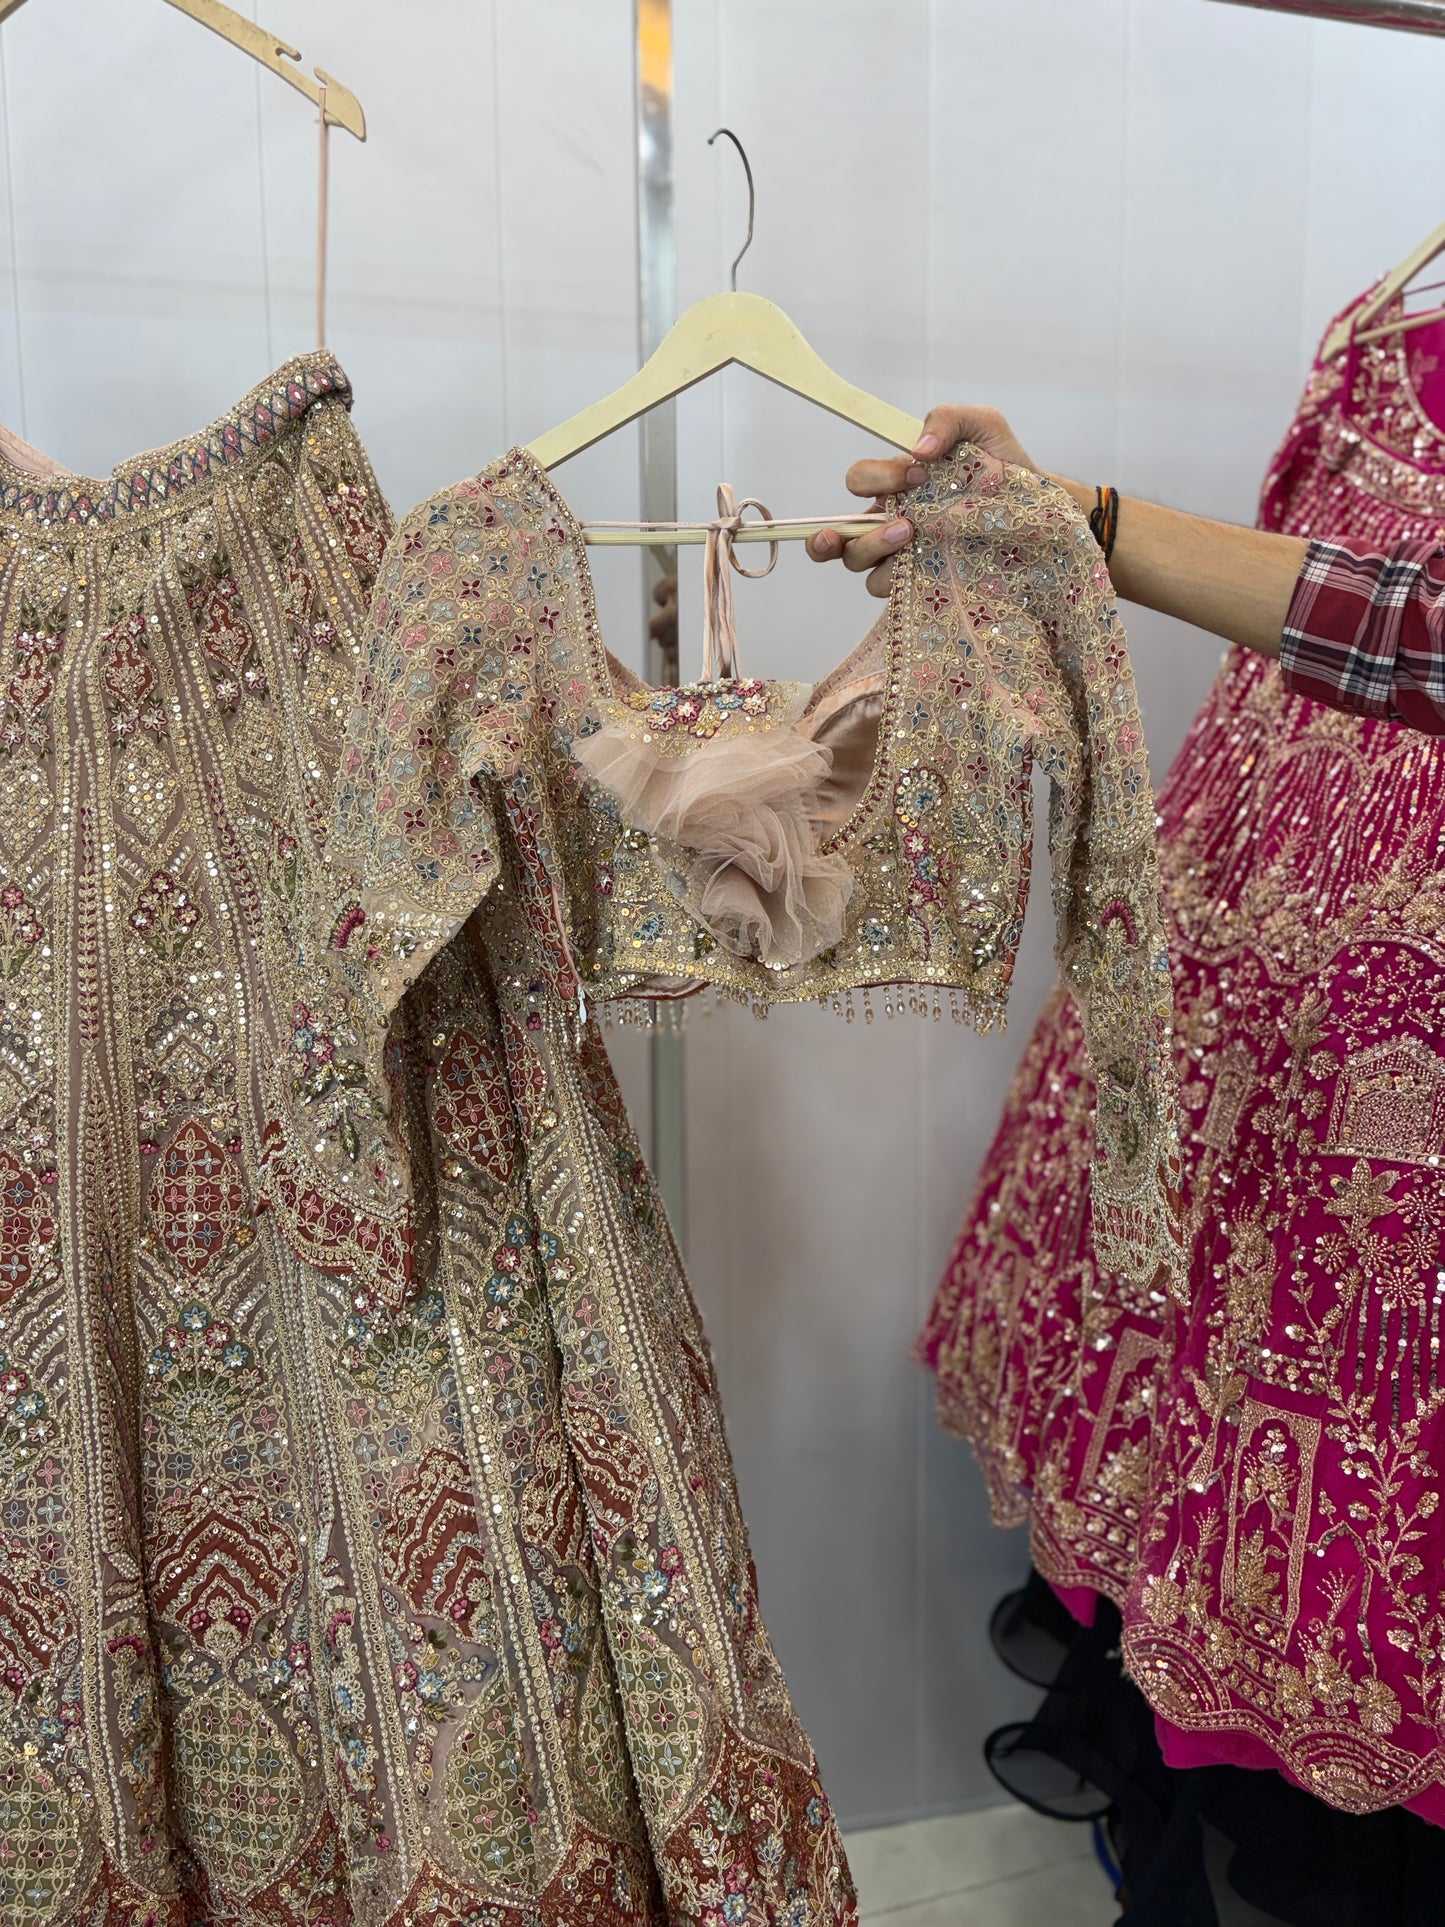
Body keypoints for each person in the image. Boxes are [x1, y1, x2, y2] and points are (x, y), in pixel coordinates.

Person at [809, 403, 1445, 736]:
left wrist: (1057, 521)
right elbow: (1399, 622)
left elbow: (1407, 633)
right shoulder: (1360, 335)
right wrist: (1048, 512)